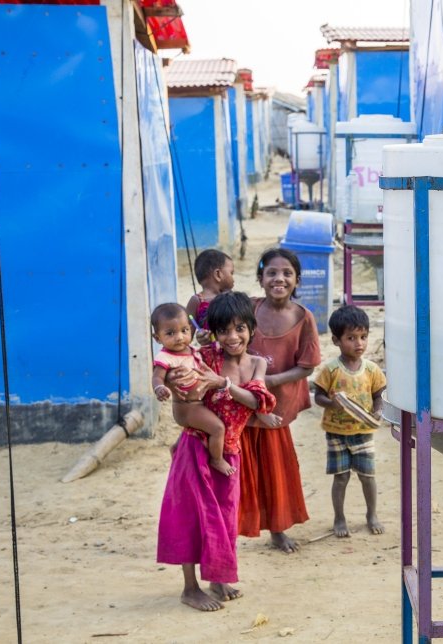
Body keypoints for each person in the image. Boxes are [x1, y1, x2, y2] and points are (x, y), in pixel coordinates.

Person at [157, 291, 275, 611]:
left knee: (224, 518)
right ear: (214, 333)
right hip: (195, 447)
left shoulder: (256, 364)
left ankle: (218, 578)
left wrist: (222, 384)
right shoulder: (202, 357)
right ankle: (190, 588)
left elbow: (257, 402)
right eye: (223, 330)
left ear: (251, 328)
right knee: (190, 517)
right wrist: (174, 384)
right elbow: (179, 388)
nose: (232, 337)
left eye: (239, 328)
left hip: (230, 452)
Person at [241, 248, 320, 553]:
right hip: (242, 404)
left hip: (277, 408)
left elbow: (308, 365)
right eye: (271, 272)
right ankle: (235, 526)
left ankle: (277, 529)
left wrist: (271, 381)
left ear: (297, 280)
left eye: (287, 273)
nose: (279, 278)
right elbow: (220, 331)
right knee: (243, 466)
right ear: (260, 278)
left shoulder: (302, 317)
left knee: (275, 469)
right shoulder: (247, 309)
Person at [313, 305, 387, 538]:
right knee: (341, 477)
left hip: (364, 431)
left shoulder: (372, 370)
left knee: (367, 476)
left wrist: (377, 411)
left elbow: (379, 396)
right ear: (336, 340)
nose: (359, 344)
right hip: (336, 432)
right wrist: (331, 403)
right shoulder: (331, 370)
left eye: (363, 337)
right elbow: (318, 396)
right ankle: (339, 517)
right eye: (351, 338)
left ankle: (371, 514)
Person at [150, 303, 231, 476]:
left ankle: (177, 447)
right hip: (187, 407)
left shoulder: (192, 350)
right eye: (170, 333)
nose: (179, 337)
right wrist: (159, 387)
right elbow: (157, 376)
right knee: (218, 428)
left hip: (198, 403)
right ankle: (216, 459)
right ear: (157, 338)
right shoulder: (165, 357)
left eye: (184, 330)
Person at [186, 249, 236, 345]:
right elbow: (186, 335)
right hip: (209, 357)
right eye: (231, 273)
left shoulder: (232, 298)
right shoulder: (197, 301)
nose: (233, 278)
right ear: (218, 274)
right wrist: (200, 337)